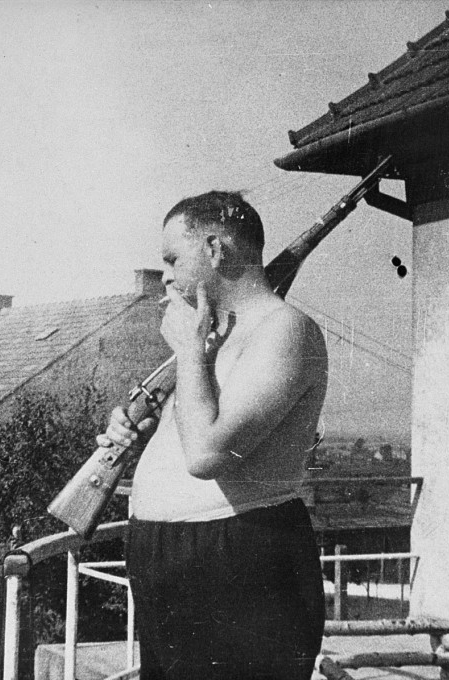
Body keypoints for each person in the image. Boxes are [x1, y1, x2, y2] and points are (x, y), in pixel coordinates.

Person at [98, 190, 328, 680]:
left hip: (238, 556)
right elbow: (189, 431)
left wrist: (187, 350)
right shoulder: (213, 335)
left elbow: (207, 455)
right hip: (173, 559)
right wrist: (139, 433)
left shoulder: (286, 329)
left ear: (215, 249)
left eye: (172, 259)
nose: (165, 275)